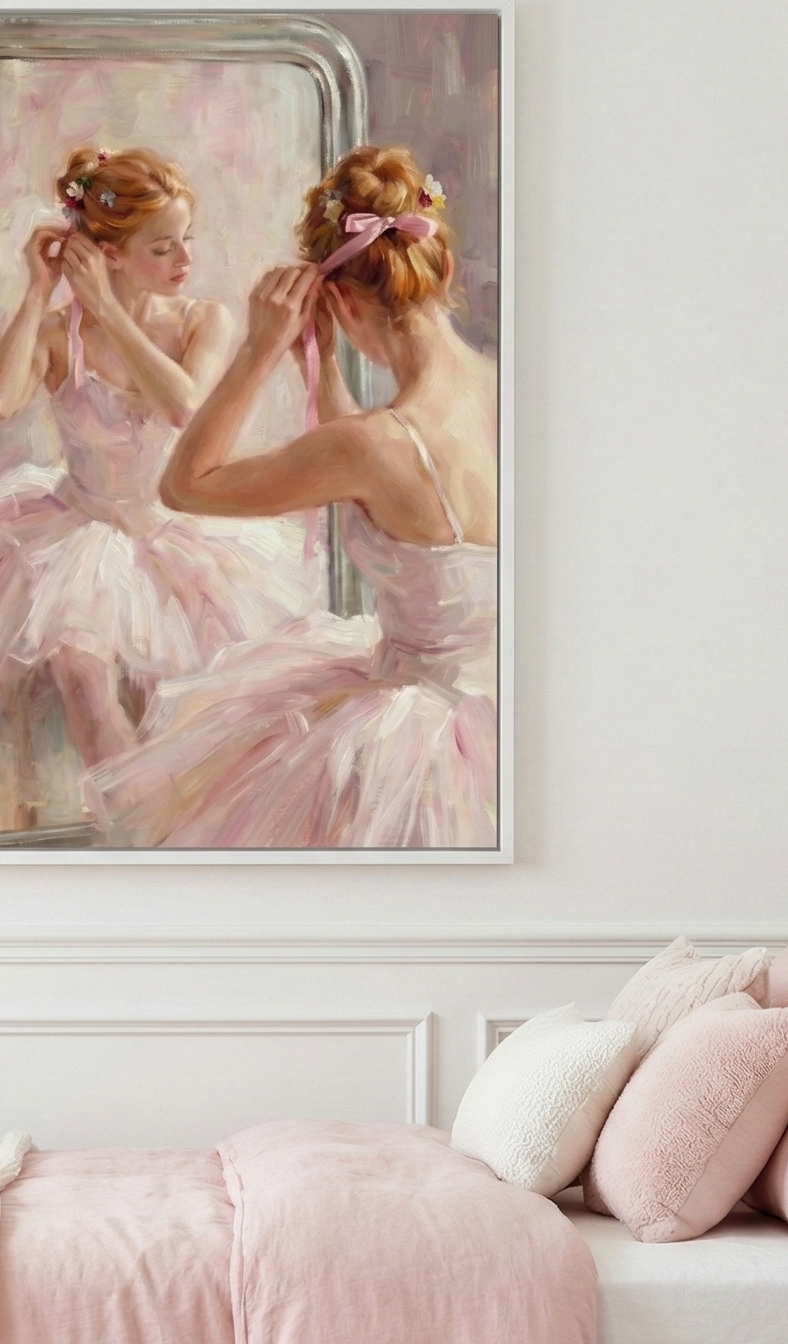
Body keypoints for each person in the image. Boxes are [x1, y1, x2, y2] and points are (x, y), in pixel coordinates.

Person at [84, 145, 498, 848]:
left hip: (414, 738)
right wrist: (323, 364)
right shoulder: (505, 392)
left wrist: (260, 349)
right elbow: (366, 473)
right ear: (444, 269)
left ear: (337, 301)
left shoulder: (373, 446)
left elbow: (185, 484)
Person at [0, 146, 315, 769]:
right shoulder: (60, 334)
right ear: (109, 254)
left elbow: (182, 405)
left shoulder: (203, 321)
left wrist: (106, 308)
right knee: (82, 676)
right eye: (162, 247)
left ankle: (171, 816)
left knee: (182, 698)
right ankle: (126, 819)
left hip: (176, 530)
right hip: (81, 531)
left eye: (187, 240)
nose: (185, 260)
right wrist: (38, 290)